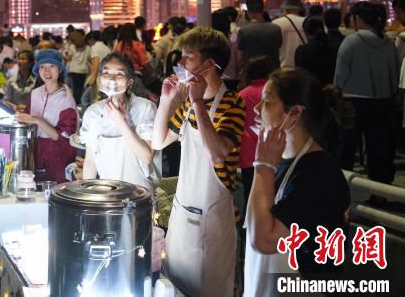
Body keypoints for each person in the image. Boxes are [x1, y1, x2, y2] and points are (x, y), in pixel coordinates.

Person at [151, 27, 245, 297]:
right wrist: (167, 101)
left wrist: (198, 104)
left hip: (214, 218)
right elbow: (158, 142)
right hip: (183, 211)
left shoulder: (232, 104)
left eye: (188, 57)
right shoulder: (189, 104)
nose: (180, 64)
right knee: (176, 283)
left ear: (209, 64)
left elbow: (218, 153)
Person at [244, 68, 350, 295]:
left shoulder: (319, 174)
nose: (256, 108)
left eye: (267, 101)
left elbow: (264, 240)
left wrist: (262, 167)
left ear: (294, 113)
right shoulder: (280, 161)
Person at [334, 2, 398, 184]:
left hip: (352, 102)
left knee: (346, 148)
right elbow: (394, 73)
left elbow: (340, 75)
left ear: (357, 19)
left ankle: (342, 189)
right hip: (383, 101)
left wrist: (336, 94)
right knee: (378, 147)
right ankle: (380, 191)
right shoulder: (387, 42)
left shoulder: (352, 41)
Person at [81, 52, 161, 191]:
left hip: (140, 193)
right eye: (106, 74)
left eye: (119, 74)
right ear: (100, 79)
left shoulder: (145, 108)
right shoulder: (93, 112)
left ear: (129, 82)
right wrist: (88, 193)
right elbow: (90, 161)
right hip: (107, 193)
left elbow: (146, 157)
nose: (112, 80)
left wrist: (121, 121)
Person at [15, 49, 77, 183]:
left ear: (60, 70)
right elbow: (26, 122)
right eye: (42, 66)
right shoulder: (35, 93)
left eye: (51, 66)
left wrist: (36, 120)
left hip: (59, 155)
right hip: (37, 151)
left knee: (57, 192)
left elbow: (62, 138)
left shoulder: (66, 99)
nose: (46, 71)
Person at [237, 55, 276, 214]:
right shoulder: (273, 93)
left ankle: (248, 233)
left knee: (250, 197)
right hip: (273, 151)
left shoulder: (241, 95)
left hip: (248, 155)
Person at [237, 0, 282, 69]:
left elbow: (240, 59)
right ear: (263, 10)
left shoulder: (243, 31)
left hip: (252, 74)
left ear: (248, 12)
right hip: (272, 74)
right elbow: (279, 46)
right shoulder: (276, 29)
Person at [294, 15, 338, 87]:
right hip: (330, 91)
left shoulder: (302, 51)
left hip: (310, 91)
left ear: (306, 32)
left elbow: (299, 76)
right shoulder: (334, 48)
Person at [272, 0, 306, 67]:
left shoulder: (276, 23)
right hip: (303, 68)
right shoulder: (306, 22)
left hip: (283, 67)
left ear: (284, 8)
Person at [64, 30, 90, 104]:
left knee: (74, 88)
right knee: (80, 88)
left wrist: (65, 55)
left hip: (74, 69)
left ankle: (75, 103)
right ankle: (79, 102)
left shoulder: (72, 46)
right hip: (83, 70)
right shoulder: (87, 47)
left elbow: (69, 59)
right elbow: (89, 58)